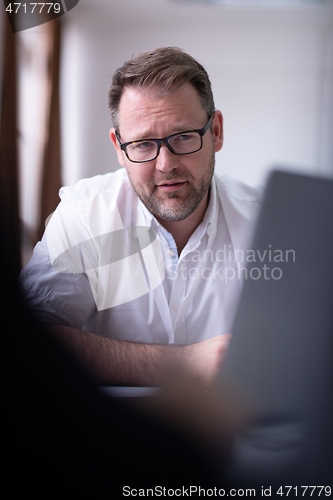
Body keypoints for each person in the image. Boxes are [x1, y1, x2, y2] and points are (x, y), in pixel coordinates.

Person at [19, 47, 261, 387]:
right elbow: (28, 341)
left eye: (183, 137)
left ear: (216, 132)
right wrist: (186, 364)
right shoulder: (83, 214)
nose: (166, 164)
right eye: (144, 144)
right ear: (119, 148)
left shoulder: (266, 223)